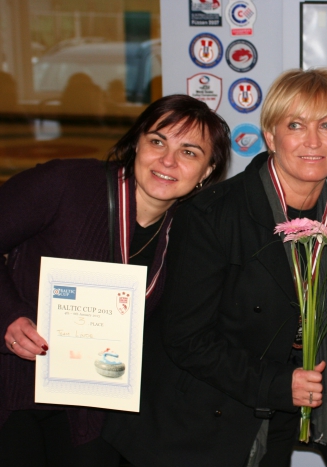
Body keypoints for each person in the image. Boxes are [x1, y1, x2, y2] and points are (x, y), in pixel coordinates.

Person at [102, 68, 327, 467]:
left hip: (278, 418)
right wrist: (277, 383)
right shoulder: (213, 213)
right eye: (295, 125)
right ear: (270, 135)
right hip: (195, 426)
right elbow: (185, 338)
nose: (313, 140)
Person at [0, 94, 231, 466]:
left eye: (189, 152)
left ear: (207, 170)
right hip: (13, 388)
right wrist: (9, 315)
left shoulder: (194, 234)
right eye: (157, 142)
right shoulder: (65, 184)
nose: (168, 161)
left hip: (95, 408)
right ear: (137, 143)